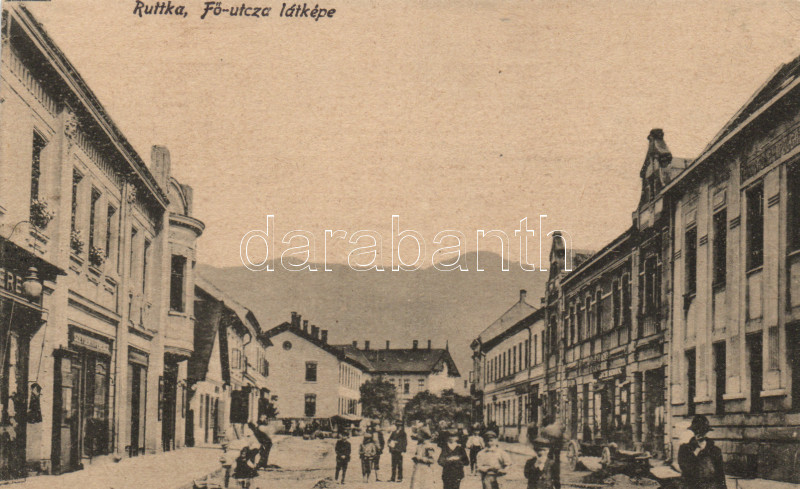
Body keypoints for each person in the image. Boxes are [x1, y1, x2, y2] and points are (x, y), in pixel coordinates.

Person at [678, 415, 727, 489]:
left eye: (702, 430)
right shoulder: (685, 449)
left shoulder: (715, 451)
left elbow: (720, 476)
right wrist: (697, 452)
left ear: (706, 431)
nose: (699, 433)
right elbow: (685, 470)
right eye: (696, 430)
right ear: (693, 431)